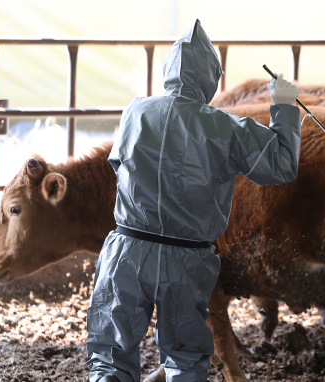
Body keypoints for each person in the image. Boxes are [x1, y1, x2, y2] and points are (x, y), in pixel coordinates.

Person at [86, 19, 301, 382]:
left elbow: (117, 165)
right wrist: (283, 106)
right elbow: (281, 165)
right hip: (186, 258)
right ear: (212, 77)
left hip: (127, 248)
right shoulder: (225, 126)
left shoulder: (135, 111)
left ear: (168, 69)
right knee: (185, 361)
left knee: (110, 356)